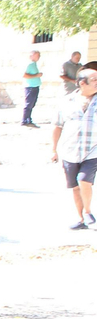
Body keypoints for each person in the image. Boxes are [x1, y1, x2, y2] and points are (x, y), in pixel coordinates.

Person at [53, 64, 97, 230]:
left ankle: (88, 212)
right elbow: (57, 126)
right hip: (70, 151)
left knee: (84, 180)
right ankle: (81, 219)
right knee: (75, 187)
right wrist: (53, 149)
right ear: (82, 83)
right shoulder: (67, 102)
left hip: (92, 150)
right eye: (94, 80)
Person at [22, 50, 42, 127]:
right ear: (32, 55)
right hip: (30, 87)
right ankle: (24, 120)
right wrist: (36, 76)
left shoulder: (34, 64)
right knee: (28, 104)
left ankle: (28, 119)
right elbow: (25, 75)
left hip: (35, 86)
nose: (39, 57)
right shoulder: (29, 64)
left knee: (32, 104)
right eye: (37, 55)